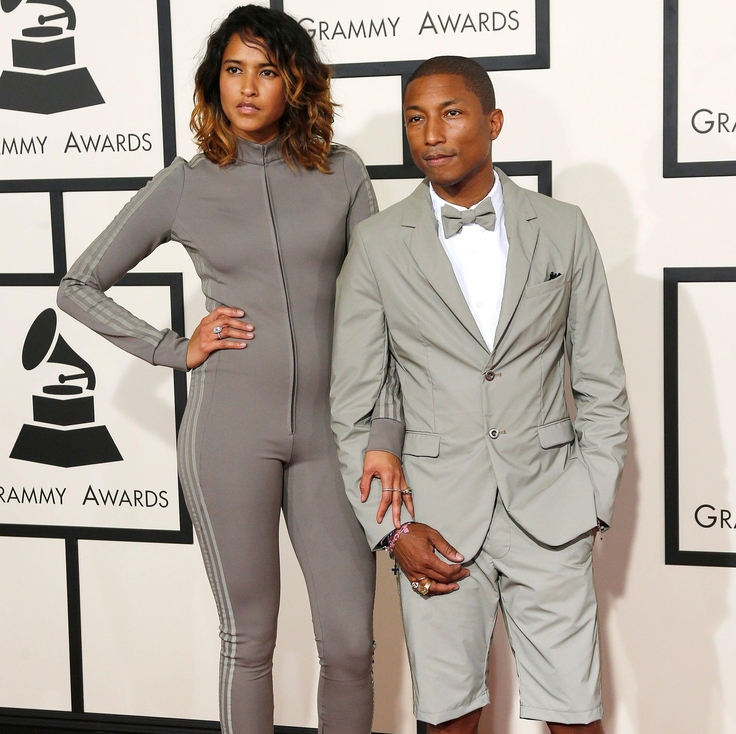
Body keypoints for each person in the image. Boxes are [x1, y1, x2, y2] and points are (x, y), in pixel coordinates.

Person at [57, 6, 406, 734]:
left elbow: (378, 315)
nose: (247, 87)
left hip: (332, 439)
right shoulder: (186, 183)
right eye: (233, 69)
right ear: (215, 82)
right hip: (229, 434)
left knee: (349, 645)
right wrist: (172, 346)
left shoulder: (342, 173)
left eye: (268, 71)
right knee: (249, 644)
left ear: (296, 84)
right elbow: (78, 284)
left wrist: (384, 428)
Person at [331, 56, 629, 734]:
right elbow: (352, 409)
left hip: (552, 513)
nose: (431, 133)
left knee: (575, 717)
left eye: (452, 112)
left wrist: (590, 501)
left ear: (493, 122)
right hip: (433, 522)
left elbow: (602, 384)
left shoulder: (564, 227)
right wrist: (394, 530)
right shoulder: (376, 246)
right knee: (448, 719)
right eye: (415, 118)